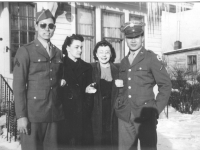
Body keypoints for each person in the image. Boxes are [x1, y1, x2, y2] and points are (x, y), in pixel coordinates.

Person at [115, 21, 172, 150]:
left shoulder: (151, 58)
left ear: (142, 38)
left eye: (137, 37)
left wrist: (155, 110)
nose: (133, 41)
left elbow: (166, 85)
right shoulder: (124, 61)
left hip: (145, 114)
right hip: (125, 115)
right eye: (129, 37)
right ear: (125, 39)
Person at [13, 9, 65, 150]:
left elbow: (58, 79)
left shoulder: (58, 52)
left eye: (51, 26)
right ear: (36, 26)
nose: (47, 29)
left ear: (54, 28)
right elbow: (18, 86)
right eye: (43, 25)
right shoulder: (25, 51)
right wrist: (21, 116)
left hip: (54, 114)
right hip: (33, 115)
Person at [58, 34, 94, 149]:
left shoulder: (87, 67)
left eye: (81, 47)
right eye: (76, 47)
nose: (80, 50)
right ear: (68, 48)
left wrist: (86, 108)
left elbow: (90, 92)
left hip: (82, 115)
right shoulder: (59, 66)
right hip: (64, 115)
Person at [90, 40, 120, 150]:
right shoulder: (90, 69)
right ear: (96, 54)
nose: (104, 55)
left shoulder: (117, 70)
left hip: (112, 111)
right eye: (101, 52)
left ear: (111, 54)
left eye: (107, 52)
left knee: (111, 141)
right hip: (96, 111)